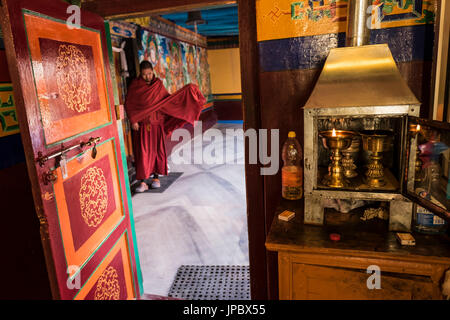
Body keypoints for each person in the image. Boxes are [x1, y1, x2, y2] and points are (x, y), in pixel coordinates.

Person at [125, 60, 206, 193]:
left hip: (157, 125)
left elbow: (167, 101)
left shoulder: (158, 85)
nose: (148, 77)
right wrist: (133, 120)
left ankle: (156, 178)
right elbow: (129, 104)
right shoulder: (135, 86)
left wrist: (188, 92)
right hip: (143, 127)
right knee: (143, 154)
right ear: (140, 74)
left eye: (150, 74)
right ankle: (143, 182)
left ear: (153, 72)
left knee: (157, 152)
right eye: (144, 74)